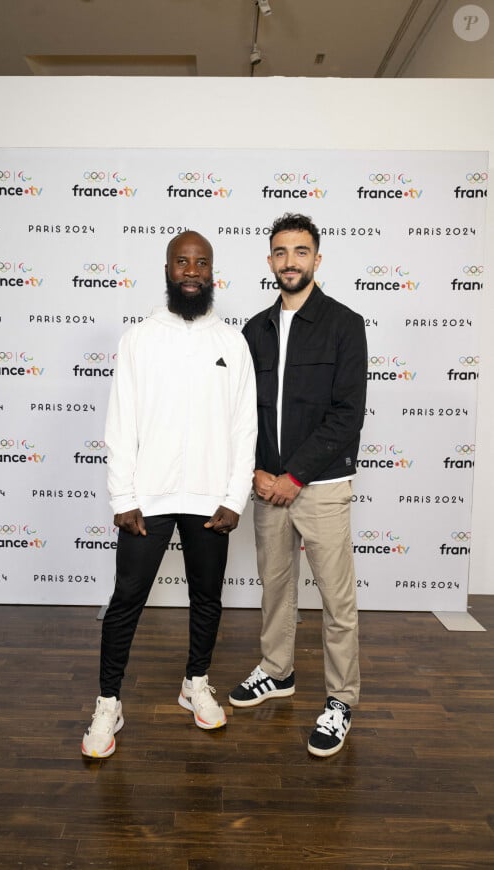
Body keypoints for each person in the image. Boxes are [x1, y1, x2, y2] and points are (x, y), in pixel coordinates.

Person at [82, 230, 257, 759]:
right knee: (125, 602)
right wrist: (123, 497)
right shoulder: (139, 338)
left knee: (206, 598)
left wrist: (233, 497)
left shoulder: (232, 341)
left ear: (212, 272)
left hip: (210, 498)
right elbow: (121, 422)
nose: (191, 271)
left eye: (200, 263)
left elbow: (243, 427)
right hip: (148, 498)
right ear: (166, 268)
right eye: (182, 262)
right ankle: (108, 701)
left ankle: (195, 682)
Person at [229, 213, 367, 758]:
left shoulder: (344, 323)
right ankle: (277, 671)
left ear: (317, 258)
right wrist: (256, 473)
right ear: (269, 261)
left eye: (301, 251)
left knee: (337, 602)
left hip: (322, 486)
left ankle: (341, 699)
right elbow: (242, 413)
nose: (291, 261)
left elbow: (346, 415)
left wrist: (295, 476)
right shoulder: (254, 329)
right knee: (276, 589)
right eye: (281, 252)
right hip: (267, 487)